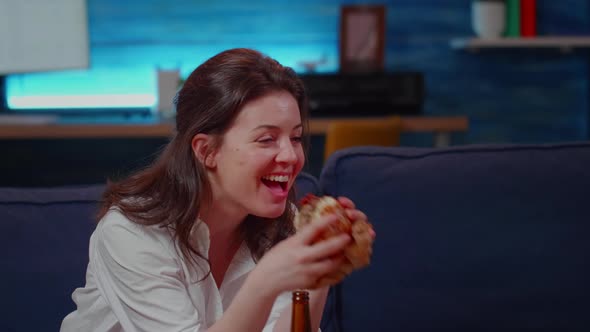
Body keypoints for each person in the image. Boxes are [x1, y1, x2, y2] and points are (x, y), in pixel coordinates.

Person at [60, 48, 372, 332]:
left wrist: (323, 268)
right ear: (207, 150)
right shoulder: (131, 234)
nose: (292, 156)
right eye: (266, 139)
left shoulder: (286, 225)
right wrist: (265, 282)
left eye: (295, 137)